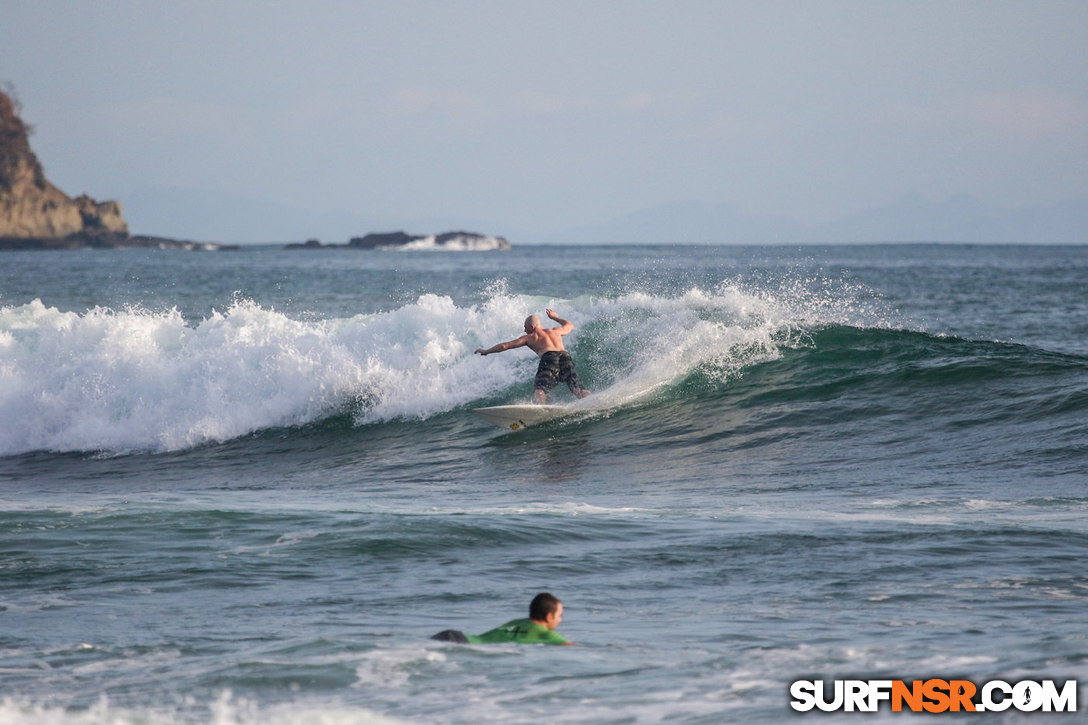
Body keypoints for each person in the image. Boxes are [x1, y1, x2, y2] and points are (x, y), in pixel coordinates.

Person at [475, 309, 590, 404]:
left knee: (540, 389)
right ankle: (591, 400)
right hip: (565, 356)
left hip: (549, 357)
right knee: (576, 387)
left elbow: (505, 346)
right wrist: (554, 317)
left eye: (526, 327)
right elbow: (569, 325)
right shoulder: (555, 331)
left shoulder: (531, 337)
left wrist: (487, 351)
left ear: (532, 326)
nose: (525, 330)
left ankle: (541, 410)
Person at [431, 592, 572, 645]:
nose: (560, 620)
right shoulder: (546, 634)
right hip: (461, 644)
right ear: (549, 616)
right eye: (559, 615)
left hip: (454, 635)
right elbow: (570, 647)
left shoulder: (516, 622)